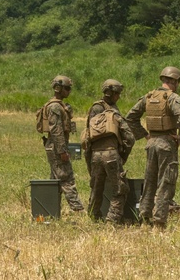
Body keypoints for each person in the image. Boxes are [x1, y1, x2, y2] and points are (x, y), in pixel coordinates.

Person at [126, 66, 180, 230]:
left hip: (151, 143)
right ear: (175, 81)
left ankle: (145, 218)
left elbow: (130, 117)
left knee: (149, 182)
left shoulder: (148, 96)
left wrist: (145, 135)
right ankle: (159, 222)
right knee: (165, 182)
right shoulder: (172, 97)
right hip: (166, 143)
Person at [84, 79, 136, 223]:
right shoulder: (113, 111)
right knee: (120, 189)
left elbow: (87, 136)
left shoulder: (94, 108)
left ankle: (94, 217)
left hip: (95, 155)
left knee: (96, 188)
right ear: (111, 93)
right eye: (117, 93)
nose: (119, 96)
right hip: (111, 154)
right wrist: (122, 155)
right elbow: (130, 138)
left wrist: (89, 159)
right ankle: (112, 220)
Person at [38, 75, 84, 213]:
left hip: (56, 146)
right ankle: (78, 210)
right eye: (67, 88)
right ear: (58, 88)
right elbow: (56, 130)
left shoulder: (59, 105)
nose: (69, 91)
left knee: (55, 181)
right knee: (66, 177)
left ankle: (50, 209)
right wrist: (62, 151)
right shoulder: (55, 107)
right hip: (57, 147)